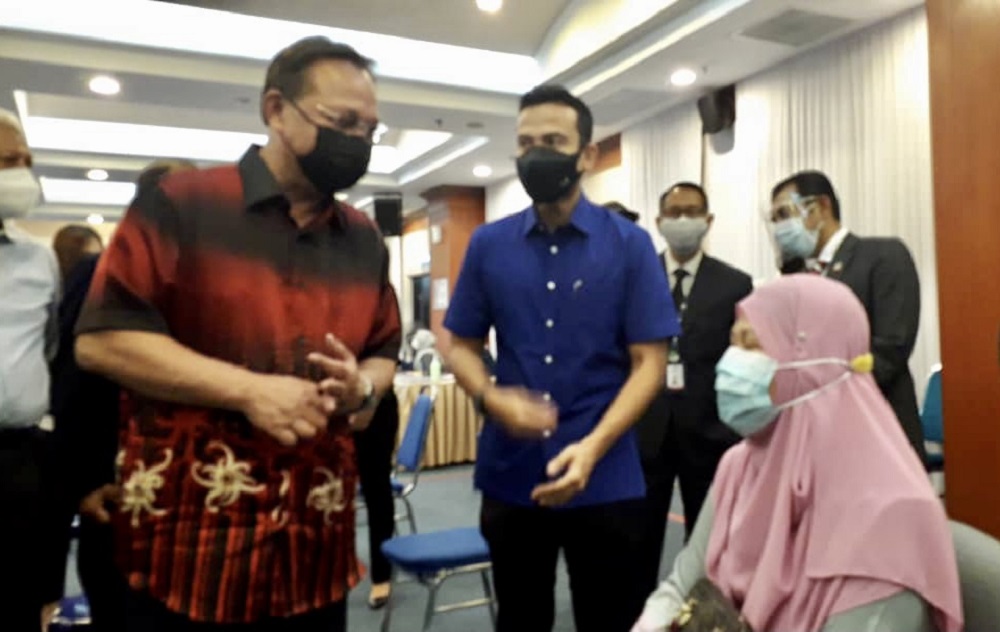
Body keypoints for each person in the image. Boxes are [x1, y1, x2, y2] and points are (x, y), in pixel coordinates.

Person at [74, 37, 401, 631]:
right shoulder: (180, 206)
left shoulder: (363, 240)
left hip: (314, 549)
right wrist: (248, 391)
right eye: (341, 122)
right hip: (189, 550)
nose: (358, 142)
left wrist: (363, 390)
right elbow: (103, 338)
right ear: (276, 109)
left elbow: (383, 351)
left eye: (370, 129)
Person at [444, 84, 677, 632]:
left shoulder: (630, 246)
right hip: (512, 471)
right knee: (520, 617)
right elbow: (461, 346)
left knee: (610, 616)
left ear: (587, 155)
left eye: (553, 140)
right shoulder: (488, 244)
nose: (537, 154)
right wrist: (490, 395)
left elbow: (650, 364)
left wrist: (593, 448)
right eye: (526, 143)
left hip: (607, 471)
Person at [632, 275, 963, 632]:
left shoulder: (890, 517)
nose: (730, 364)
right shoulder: (739, 466)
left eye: (752, 345)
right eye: (733, 344)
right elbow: (681, 586)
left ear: (813, 366)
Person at [46, 159, 198, 632]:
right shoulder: (101, 273)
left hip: (192, 497)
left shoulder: (201, 282)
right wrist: (86, 481)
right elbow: (71, 381)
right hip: (119, 490)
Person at [633, 182, 752, 596]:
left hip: (709, 431)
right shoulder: (637, 277)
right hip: (647, 430)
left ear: (708, 220)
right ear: (659, 222)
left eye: (693, 211)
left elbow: (743, 356)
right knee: (639, 539)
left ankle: (703, 617)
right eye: (675, 212)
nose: (684, 220)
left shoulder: (735, 283)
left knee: (710, 542)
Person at [769, 170, 927, 464]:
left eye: (784, 214)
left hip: (877, 430)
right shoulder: (794, 278)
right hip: (814, 442)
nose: (779, 227)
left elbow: (891, 348)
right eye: (775, 219)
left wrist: (817, 391)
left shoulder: (882, 256)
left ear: (821, 206)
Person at [0, 108, 60, 632]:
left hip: (18, 454)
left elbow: (50, 349)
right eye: (6, 162)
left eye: (26, 161)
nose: (21, 174)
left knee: (20, 597)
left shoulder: (37, 260)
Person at [354, 389, 400, 610]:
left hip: (375, 405)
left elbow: (385, 363)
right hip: (323, 403)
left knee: (377, 491)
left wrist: (367, 404)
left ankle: (381, 576)